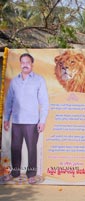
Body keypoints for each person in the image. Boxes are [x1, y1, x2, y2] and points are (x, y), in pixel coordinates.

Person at [3, 53, 49, 184]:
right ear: (20, 64)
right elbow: (9, 101)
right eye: (22, 62)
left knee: (32, 149)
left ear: (32, 64)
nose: (25, 64)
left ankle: (31, 174)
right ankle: (15, 172)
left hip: (32, 122)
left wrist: (42, 120)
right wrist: (7, 119)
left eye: (27, 62)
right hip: (17, 121)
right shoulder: (15, 81)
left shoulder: (39, 80)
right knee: (15, 148)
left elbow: (44, 102)